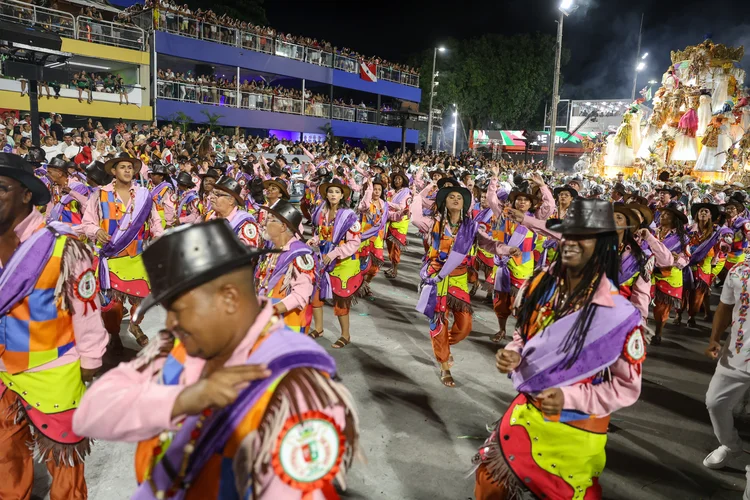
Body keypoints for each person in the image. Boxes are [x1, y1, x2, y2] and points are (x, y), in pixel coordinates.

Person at [72, 220, 360, 499]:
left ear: (229, 299)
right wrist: (182, 400)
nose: (169, 322)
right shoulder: (177, 344)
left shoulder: (296, 378)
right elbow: (90, 415)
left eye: (180, 307)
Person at [473, 199, 645, 499]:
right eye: (568, 234)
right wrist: (516, 352)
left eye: (584, 238)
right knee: (490, 482)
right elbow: (524, 333)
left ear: (604, 245)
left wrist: (569, 396)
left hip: (575, 427)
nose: (571, 243)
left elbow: (627, 387)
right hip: (527, 413)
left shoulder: (620, 315)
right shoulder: (540, 282)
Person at [0, 153, 108, 500]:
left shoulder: (63, 246)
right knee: (6, 462)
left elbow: (87, 312)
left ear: (26, 194)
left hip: (55, 370)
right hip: (4, 372)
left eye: (1, 188)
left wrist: (91, 361)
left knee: (66, 467)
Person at [411, 183, 518, 387]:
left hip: (459, 280)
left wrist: (506, 249)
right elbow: (416, 218)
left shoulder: (471, 227)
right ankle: (444, 365)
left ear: (464, 203)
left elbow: (488, 244)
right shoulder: (433, 223)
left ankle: (442, 344)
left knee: (465, 326)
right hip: (437, 279)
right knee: (438, 323)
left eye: (459, 197)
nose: (456, 199)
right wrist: (419, 194)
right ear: (444, 202)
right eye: (451, 197)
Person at [81, 152, 164, 348]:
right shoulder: (100, 194)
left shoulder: (144, 195)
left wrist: (160, 237)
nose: (127, 170)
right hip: (111, 257)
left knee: (143, 300)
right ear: (113, 171)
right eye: (122, 167)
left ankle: (134, 326)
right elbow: (87, 223)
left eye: (130, 167)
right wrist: (96, 230)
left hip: (137, 257)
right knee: (113, 306)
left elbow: (155, 222)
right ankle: (114, 334)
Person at [308, 178, 363, 347]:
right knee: (315, 295)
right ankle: (318, 328)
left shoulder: (349, 216)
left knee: (341, 299)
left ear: (342, 196)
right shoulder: (321, 212)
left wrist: (335, 253)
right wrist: (315, 240)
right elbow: (323, 234)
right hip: (324, 259)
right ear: (325, 194)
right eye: (330, 191)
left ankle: (345, 335)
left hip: (344, 262)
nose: (333, 194)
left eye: (337, 192)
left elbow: (354, 242)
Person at [257, 200, 315, 333]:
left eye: (270, 219)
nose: (264, 222)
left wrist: (271, 310)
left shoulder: (299, 255)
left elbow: (301, 295)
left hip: (287, 327)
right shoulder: (274, 249)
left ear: (283, 227)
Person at [205, 175, 261, 247]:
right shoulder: (210, 217)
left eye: (217, 194)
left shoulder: (244, 223)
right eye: (212, 193)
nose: (211, 197)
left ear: (231, 200)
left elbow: (248, 255)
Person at [384, 170, 412, 279]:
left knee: (396, 248)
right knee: (390, 246)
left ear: (403, 181)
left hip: (400, 223)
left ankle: (395, 269)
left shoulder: (406, 193)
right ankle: (392, 266)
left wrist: (387, 203)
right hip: (390, 220)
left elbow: (401, 207)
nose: (397, 180)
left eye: (399, 179)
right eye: (395, 179)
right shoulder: (392, 192)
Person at [148, 163, 176, 228]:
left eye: (154, 175)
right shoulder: (153, 188)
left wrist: (169, 223)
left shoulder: (166, 189)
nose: (152, 176)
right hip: (154, 221)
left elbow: (170, 207)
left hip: (163, 223)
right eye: (152, 174)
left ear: (161, 176)